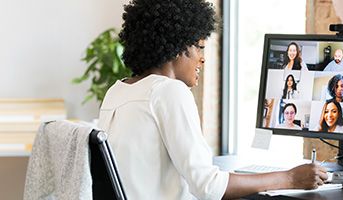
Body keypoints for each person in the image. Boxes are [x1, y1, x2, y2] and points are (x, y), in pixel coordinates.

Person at [97, 0, 328, 199]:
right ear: (179, 47)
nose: (202, 59)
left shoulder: (117, 91)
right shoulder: (169, 91)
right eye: (199, 48)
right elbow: (208, 187)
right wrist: (290, 177)